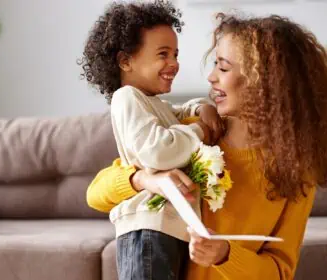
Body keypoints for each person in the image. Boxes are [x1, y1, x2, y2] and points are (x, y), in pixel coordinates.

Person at [87, 12, 327, 280]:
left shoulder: (297, 172)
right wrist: (144, 179)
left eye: (223, 68)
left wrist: (226, 255)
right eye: (215, 64)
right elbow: (96, 193)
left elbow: (280, 271)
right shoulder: (195, 133)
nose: (211, 77)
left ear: (264, 81)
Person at [79, 1, 224, 279]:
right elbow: (158, 153)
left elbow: (180, 112)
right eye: (162, 54)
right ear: (125, 61)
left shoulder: (153, 103)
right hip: (147, 229)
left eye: (175, 54)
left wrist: (201, 108)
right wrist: (200, 132)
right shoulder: (127, 98)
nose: (174, 63)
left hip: (165, 227)